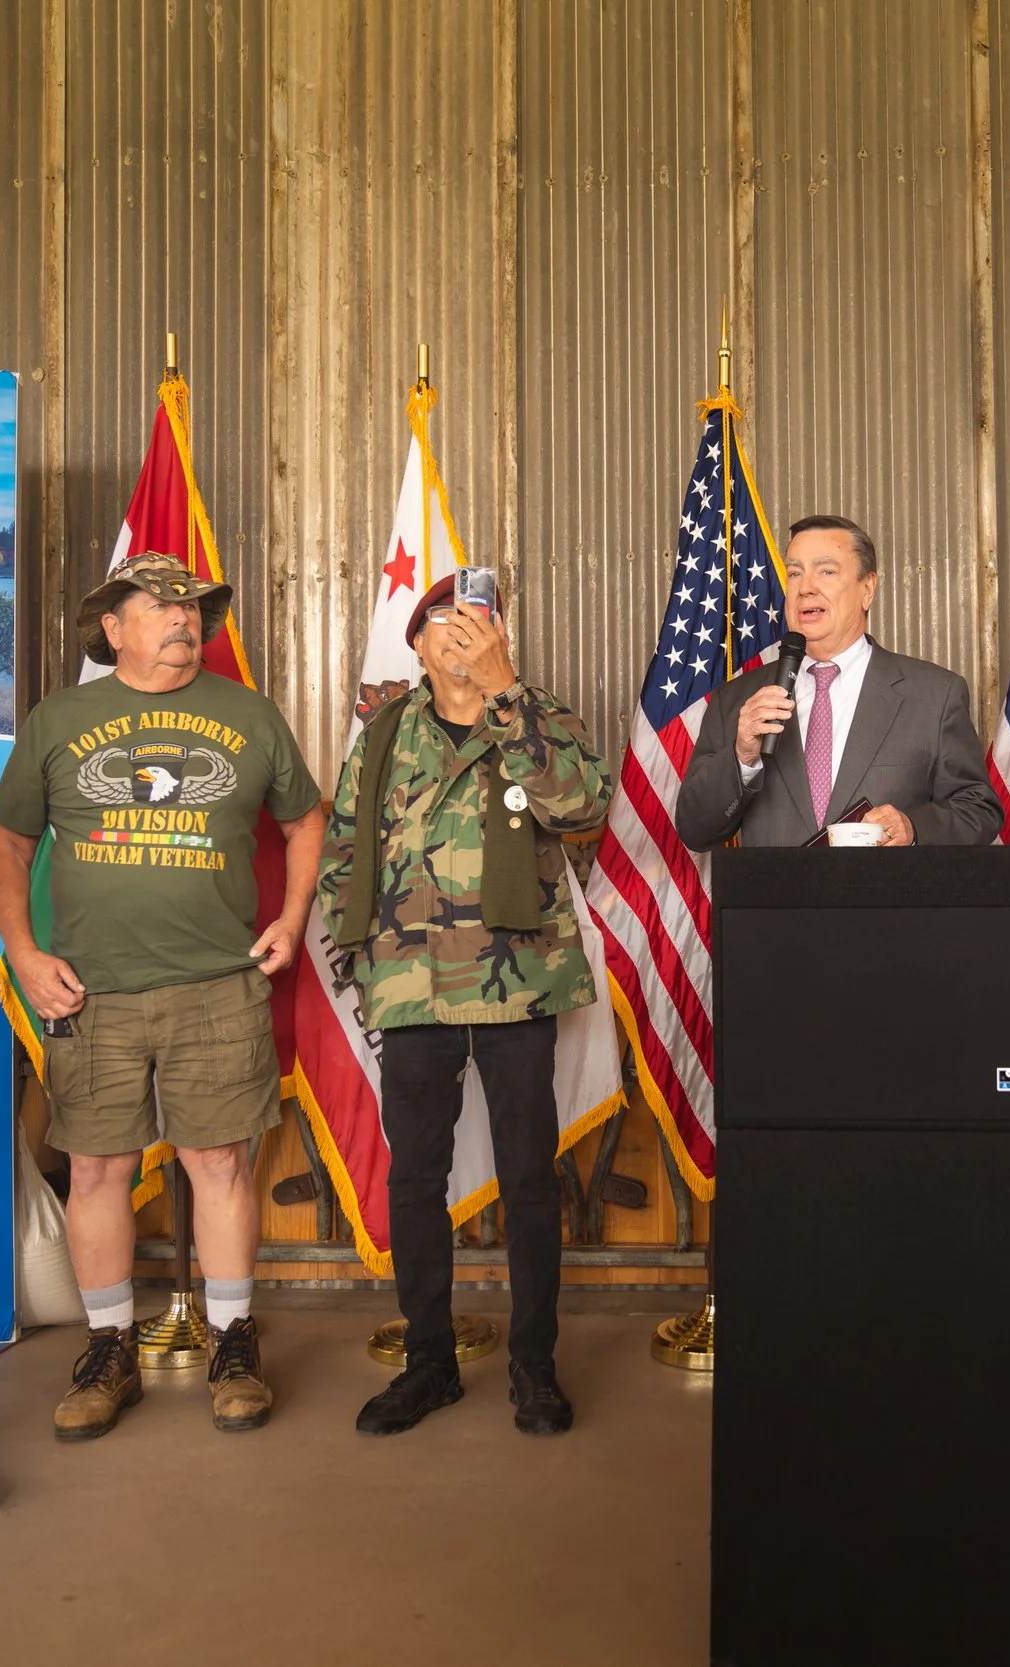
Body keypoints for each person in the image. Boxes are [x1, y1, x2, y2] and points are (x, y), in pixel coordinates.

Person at [0, 551, 325, 1441]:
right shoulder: (61, 718)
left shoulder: (248, 714)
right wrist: (22, 952)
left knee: (218, 1163)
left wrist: (291, 919)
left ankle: (233, 1340)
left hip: (218, 985)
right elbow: (10, 847)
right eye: (161, 607)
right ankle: (108, 1350)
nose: (184, 620)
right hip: (91, 991)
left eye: (195, 609)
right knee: (97, 1167)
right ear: (114, 627)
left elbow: (304, 821)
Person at [319, 574, 612, 1437]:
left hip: (514, 980)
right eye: (445, 620)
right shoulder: (382, 734)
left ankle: (534, 1366)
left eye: (479, 620)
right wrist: (362, 957)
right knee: (413, 1180)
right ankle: (429, 1363)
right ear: (415, 642)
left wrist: (506, 692)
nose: (461, 633)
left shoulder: (537, 714)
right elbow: (345, 846)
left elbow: (583, 807)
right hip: (409, 988)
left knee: (528, 1179)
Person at [676, 514, 1001, 850]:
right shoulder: (739, 700)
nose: (806, 588)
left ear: (867, 588)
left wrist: (912, 826)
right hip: (771, 902)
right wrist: (742, 756)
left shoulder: (935, 695)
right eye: (795, 573)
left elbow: (978, 810)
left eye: (826, 571)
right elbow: (696, 830)